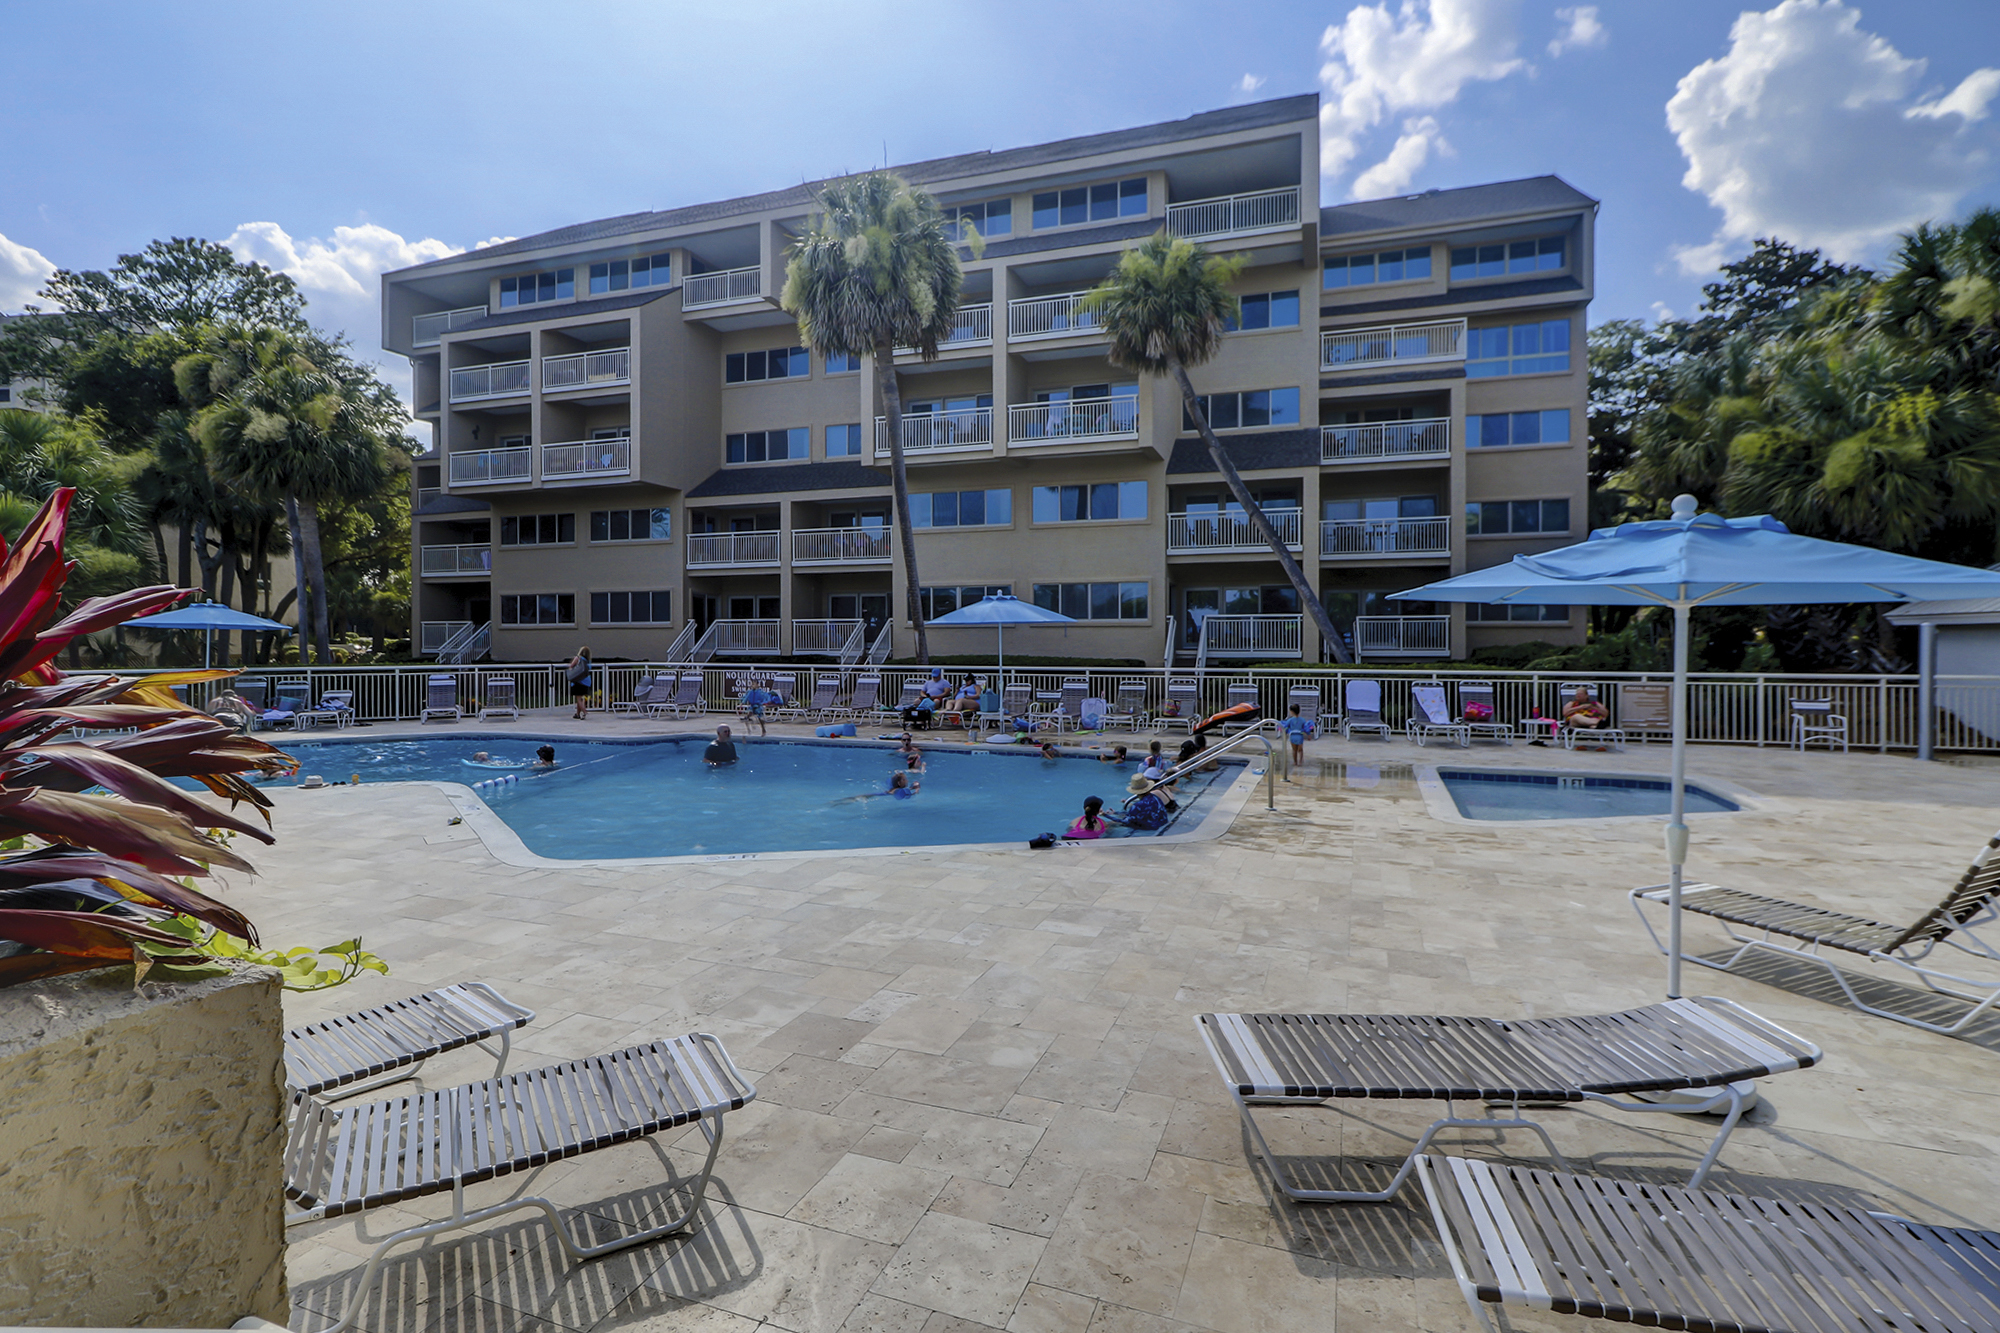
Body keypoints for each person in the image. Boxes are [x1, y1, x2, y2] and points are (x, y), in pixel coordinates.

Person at [837, 769, 919, 803]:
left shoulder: (894, 789)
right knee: (855, 799)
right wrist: (916, 790)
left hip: (879, 794)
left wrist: (912, 787)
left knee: (855, 799)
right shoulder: (897, 791)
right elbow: (908, 794)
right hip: (879, 796)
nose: (907, 781)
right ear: (899, 783)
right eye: (904, 779)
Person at [1282, 704, 1311, 779]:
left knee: (1294, 750)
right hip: (1300, 736)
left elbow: (1285, 727)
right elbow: (1306, 728)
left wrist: (1284, 733)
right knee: (1300, 750)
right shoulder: (1302, 720)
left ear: (1291, 712)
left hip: (1293, 736)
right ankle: (1300, 761)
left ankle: (1295, 761)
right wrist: (1308, 734)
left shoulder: (1290, 720)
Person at [565, 646, 592, 720]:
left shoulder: (578, 658)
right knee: (581, 698)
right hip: (586, 681)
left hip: (578, 681)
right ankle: (577, 714)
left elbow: (571, 666)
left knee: (578, 698)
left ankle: (585, 712)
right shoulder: (588, 661)